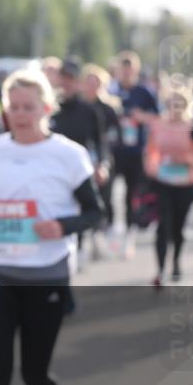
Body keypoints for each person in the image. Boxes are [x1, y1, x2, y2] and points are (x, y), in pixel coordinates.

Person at [0, 70, 104, 385]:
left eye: (29, 107)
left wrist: (62, 226)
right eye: (13, 107)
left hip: (46, 273)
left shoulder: (69, 155)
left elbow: (96, 212)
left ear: (46, 108)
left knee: (34, 373)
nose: (20, 114)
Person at [48, 57, 109, 268]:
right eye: (63, 77)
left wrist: (102, 164)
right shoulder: (50, 109)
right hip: (53, 169)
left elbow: (100, 141)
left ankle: (79, 247)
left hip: (79, 170)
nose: (67, 82)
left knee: (80, 209)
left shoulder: (89, 111)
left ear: (78, 81)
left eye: (71, 78)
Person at [142, 88, 193, 286]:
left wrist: (187, 160)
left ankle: (176, 261)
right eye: (172, 103)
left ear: (186, 106)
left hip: (185, 184)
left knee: (178, 227)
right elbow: (150, 151)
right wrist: (152, 167)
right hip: (163, 182)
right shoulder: (158, 125)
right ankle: (160, 270)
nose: (175, 108)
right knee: (163, 225)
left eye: (179, 104)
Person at [111, 51, 159, 258]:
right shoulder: (111, 90)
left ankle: (129, 235)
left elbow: (157, 117)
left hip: (136, 150)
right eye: (123, 70)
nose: (126, 74)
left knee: (132, 194)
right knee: (108, 192)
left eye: (129, 70)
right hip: (114, 150)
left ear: (136, 71)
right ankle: (111, 229)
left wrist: (140, 116)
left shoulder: (144, 92)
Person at [82, 63, 123, 249]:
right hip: (82, 159)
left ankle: (100, 230)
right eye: (89, 82)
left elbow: (115, 135)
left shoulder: (108, 109)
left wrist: (103, 156)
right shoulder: (79, 107)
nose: (92, 86)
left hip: (103, 158)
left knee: (105, 197)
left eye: (96, 82)